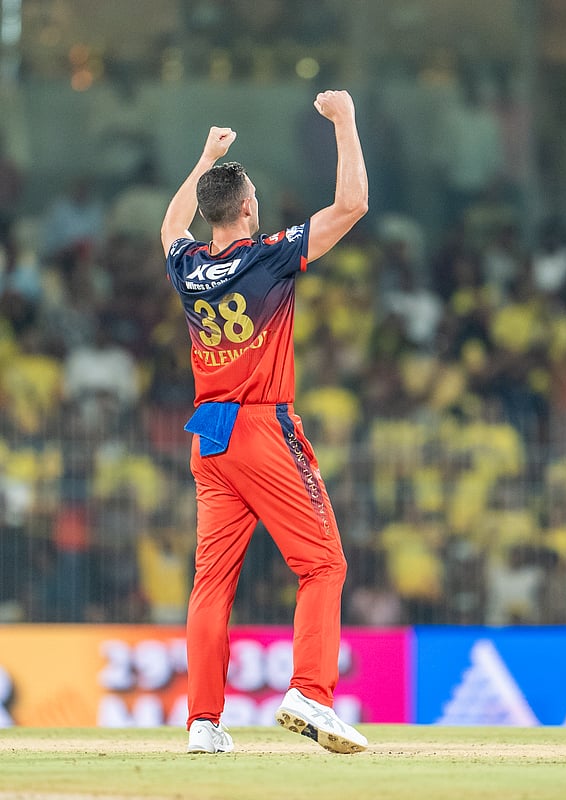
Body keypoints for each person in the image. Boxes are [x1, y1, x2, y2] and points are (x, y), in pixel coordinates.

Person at [160, 90, 370, 755]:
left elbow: (169, 228)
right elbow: (353, 205)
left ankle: (202, 723)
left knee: (212, 585)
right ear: (247, 208)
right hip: (260, 428)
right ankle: (310, 691)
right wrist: (345, 121)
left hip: (210, 437)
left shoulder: (191, 269)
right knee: (323, 566)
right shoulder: (270, 256)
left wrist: (203, 160)